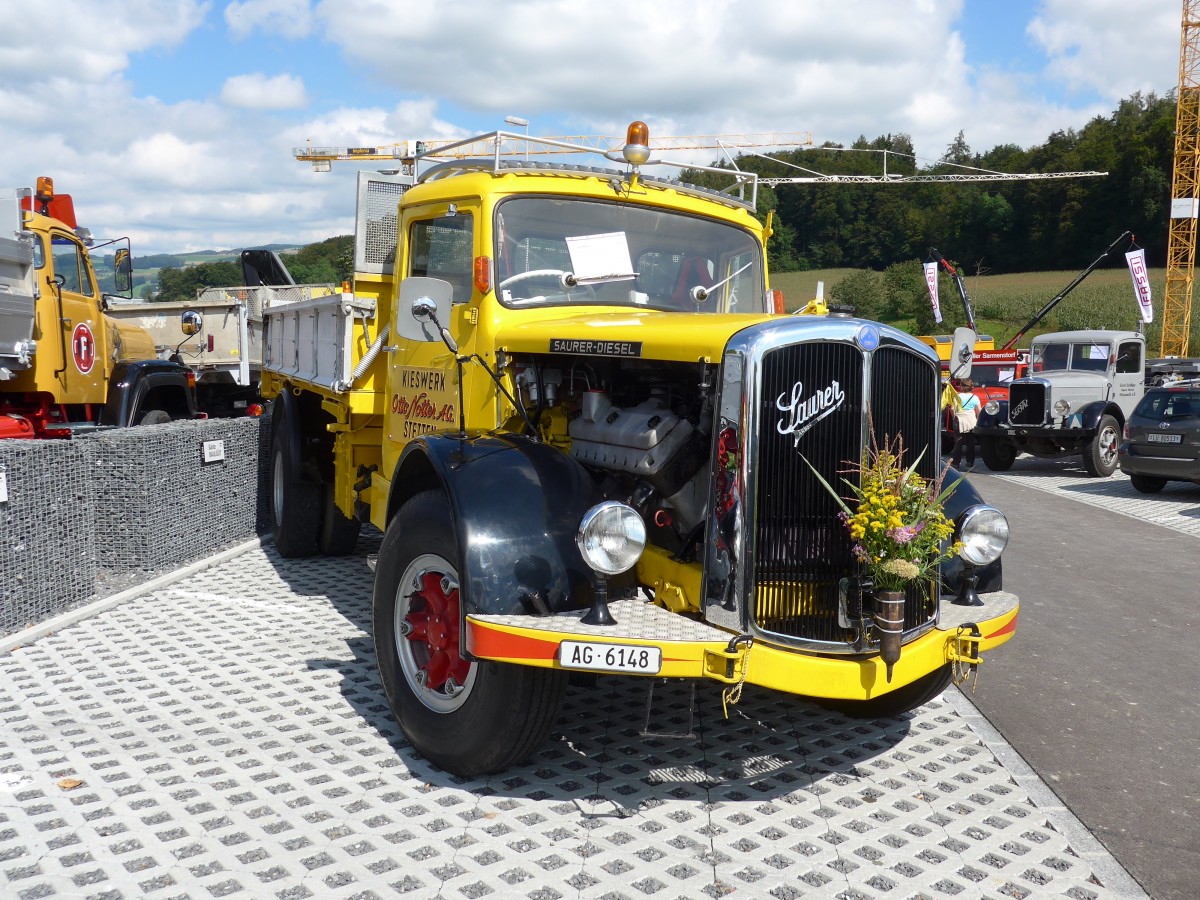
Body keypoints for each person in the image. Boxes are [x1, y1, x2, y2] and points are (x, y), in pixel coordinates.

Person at [948, 378, 981, 468]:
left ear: (962, 387)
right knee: (970, 442)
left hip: (959, 419)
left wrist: (954, 417)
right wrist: (977, 421)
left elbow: (952, 409)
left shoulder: (957, 396)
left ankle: (956, 462)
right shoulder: (975, 397)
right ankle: (970, 462)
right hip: (971, 421)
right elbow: (979, 411)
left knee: (958, 442)